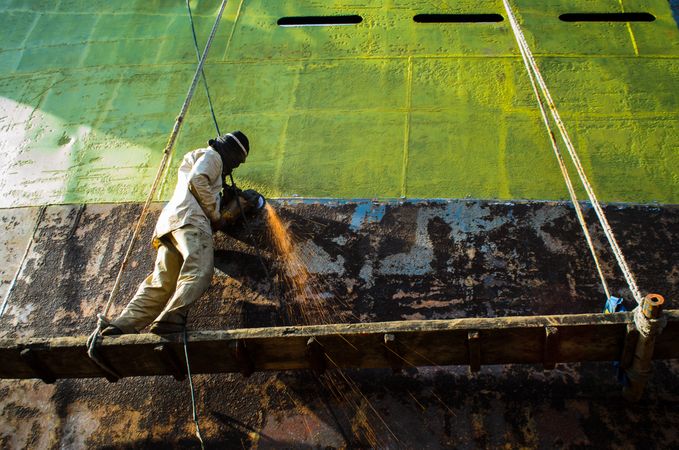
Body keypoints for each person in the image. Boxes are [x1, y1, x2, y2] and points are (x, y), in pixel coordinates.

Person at [102, 131, 251, 335]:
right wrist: (216, 216)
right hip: (191, 221)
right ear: (231, 152)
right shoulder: (213, 156)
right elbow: (198, 179)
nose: (236, 166)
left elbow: (197, 182)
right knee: (199, 271)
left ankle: (122, 325)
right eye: (238, 161)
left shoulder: (196, 157)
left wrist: (222, 193)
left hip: (170, 223)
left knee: (162, 282)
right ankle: (170, 318)